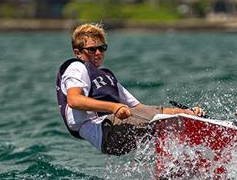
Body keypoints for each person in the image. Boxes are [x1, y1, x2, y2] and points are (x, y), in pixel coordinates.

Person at [56, 23, 204, 155]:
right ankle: (192, 121)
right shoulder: (76, 67)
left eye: (102, 48)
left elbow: (140, 108)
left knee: (163, 125)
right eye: (92, 49)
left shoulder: (106, 76)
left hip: (114, 136)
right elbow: (74, 100)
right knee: (164, 121)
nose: (98, 53)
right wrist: (114, 107)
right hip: (104, 132)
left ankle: (174, 173)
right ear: (78, 52)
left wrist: (185, 113)